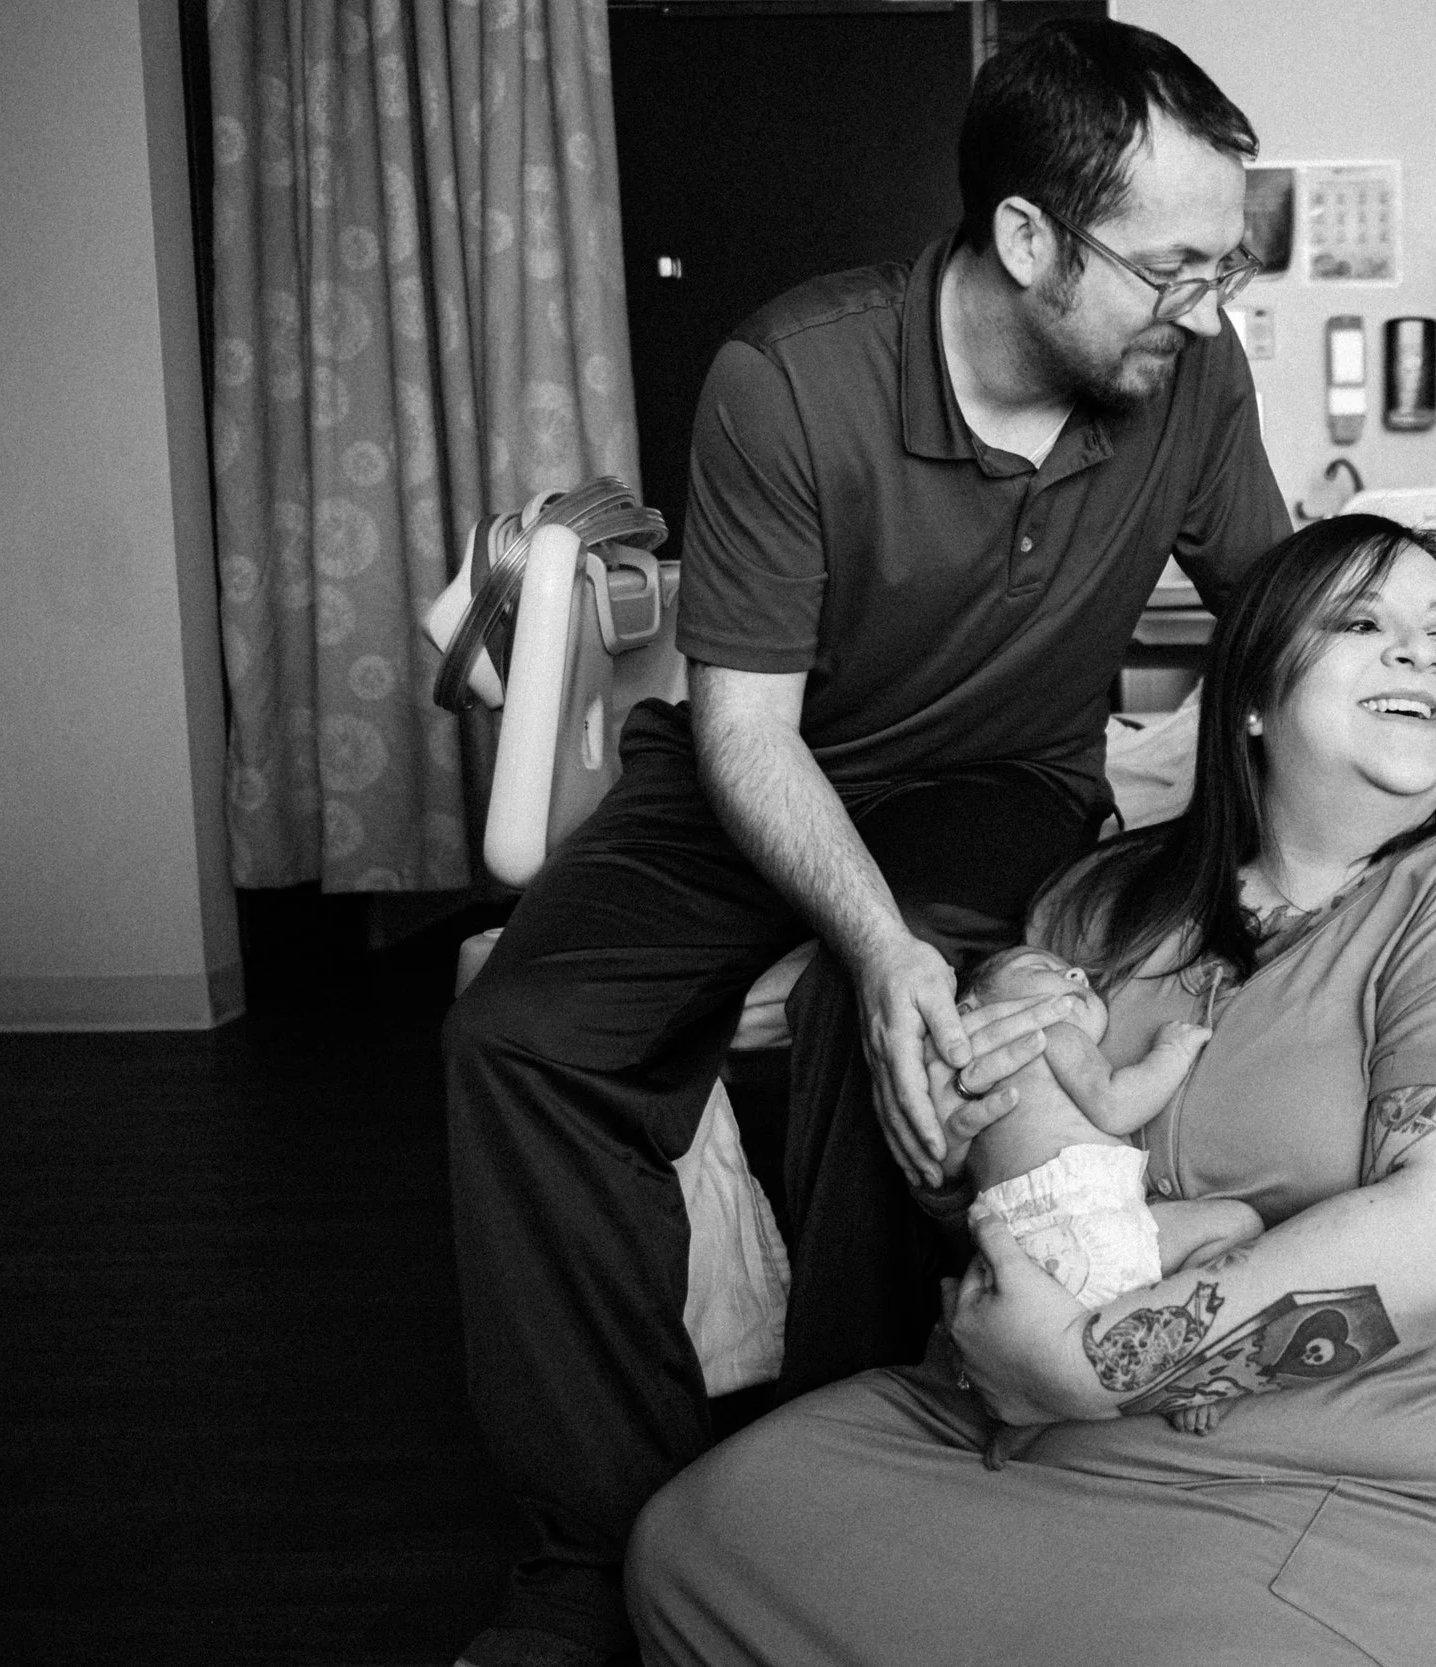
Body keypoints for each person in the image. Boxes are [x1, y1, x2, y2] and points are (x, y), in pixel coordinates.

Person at [440, 21, 1289, 1667]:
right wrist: (875, 930)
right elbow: (746, 735)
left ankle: (837, 1501)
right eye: (1173, 270)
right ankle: (596, 1545)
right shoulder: (795, 377)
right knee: (519, 1039)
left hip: (995, 784)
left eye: (1223, 269)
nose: (1207, 310)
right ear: (1028, 237)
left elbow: (1283, 601)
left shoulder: (1189, 382)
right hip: (747, 779)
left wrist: (1387, 731)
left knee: (906, 1045)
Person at [625, 515, 1436, 1667]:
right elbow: (1030, 1182)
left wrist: (1085, 1362)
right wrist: (955, 1138)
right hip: (1052, 1436)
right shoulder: (1101, 906)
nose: (1420, 653)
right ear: (1253, 696)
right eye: (1362, 622)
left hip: (1398, 1481)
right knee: (699, 1539)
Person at [957, 945, 1261, 1309]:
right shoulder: (1050, 1033)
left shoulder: (966, 1100)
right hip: (1086, 1230)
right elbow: (1117, 1106)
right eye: (1040, 967)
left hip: (1012, 1263)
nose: (1076, 975)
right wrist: (1173, 1052)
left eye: (1075, 972)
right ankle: (1163, 1318)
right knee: (1239, 1224)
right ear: (968, 1012)